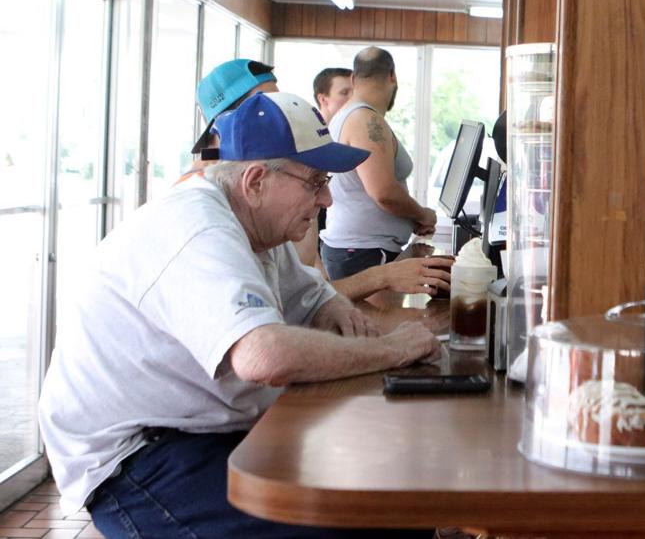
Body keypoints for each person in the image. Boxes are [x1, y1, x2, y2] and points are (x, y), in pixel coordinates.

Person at [38, 92, 442, 538]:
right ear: (254, 181)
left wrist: (337, 315)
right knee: (365, 521)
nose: (326, 198)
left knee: (392, 498)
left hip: (199, 431)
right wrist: (387, 351)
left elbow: (314, 298)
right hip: (135, 460)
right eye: (314, 181)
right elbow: (263, 357)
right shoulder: (198, 229)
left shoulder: (259, 228)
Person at [321, 47, 439, 280]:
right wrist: (423, 214)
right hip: (365, 253)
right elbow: (384, 192)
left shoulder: (348, 115)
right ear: (392, 76)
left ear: (354, 79)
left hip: (361, 250)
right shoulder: (365, 120)